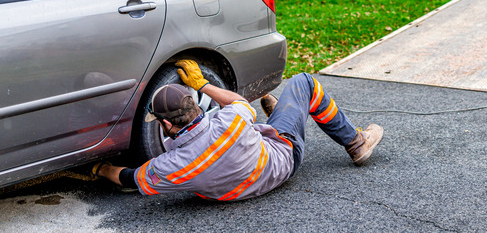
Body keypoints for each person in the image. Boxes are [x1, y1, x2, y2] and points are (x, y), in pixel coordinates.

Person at [92, 60, 383, 201]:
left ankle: (291, 118)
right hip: (279, 160)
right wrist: (202, 84)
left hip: (252, 178)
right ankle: (355, 141)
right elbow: (242, 103)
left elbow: (128, 177)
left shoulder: (173, 167)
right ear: (194, 107)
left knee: (285, 107)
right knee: (305, 82)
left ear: (166, 124)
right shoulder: (231, 120)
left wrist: (101, 169)